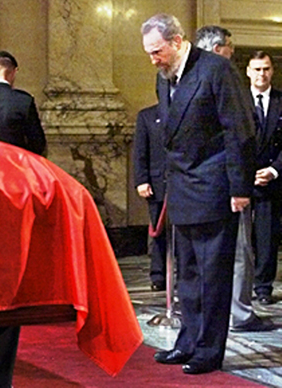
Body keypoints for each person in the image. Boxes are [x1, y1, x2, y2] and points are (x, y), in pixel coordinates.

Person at [141, 14, 256, 374]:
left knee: (212, 277)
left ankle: (209, 350)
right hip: (182, 192)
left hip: (213, 189)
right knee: (188, 278)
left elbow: (239, 131)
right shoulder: (164, 78)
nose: (153, 60)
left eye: (157, 51)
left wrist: (240, 188)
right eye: (148, 53)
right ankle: (187, 342)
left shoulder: (216, 71)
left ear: (177, 42)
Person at [195, 26, 274, 332]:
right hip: (226, 183)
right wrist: (241, 185)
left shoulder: (186, 79)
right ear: (218, 50)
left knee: (205, 256)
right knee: (239, 253)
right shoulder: (226, 80)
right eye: (230, 47)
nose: (232, 52)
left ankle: (210, 313)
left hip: (199, 186)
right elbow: (238, 136)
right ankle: (240, 314)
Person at [246, 50, 282, 306]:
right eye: (257, 69)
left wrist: (273, 170)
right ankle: (241, 285)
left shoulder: (281, 101)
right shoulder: (236, 100)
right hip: (243, 180)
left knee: (267, 237)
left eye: (266, 68)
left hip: (273, 179)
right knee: (240, 239)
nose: (262, 74)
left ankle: (263, 287)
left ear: (273, 71)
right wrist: (247, 173)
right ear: (248, 71)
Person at [132, 104, 167, 291]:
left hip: (184, 184)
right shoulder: (146, 116)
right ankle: (158, 275)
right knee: (158, 232)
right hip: (156, 183)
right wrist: (141, 180)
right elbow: (140, 152)